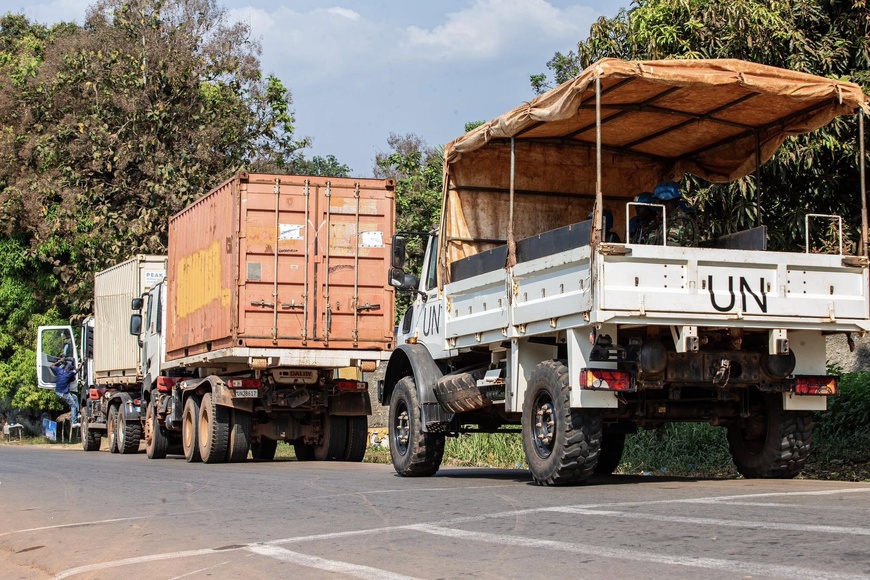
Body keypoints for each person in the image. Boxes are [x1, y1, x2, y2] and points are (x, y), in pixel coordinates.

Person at [647, 181, 698, 247]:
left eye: (660, 201)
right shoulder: (667, 220)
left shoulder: (679, 221)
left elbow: (671, 250)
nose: (658, 204)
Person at [50, 357, 80, 428]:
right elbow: (77, 370)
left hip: (59, 391)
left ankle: (77, 414)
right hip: (64, 393)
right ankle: (74, 422)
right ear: (69, 369)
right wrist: (81, 364)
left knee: (75, 397)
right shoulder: (69, 374)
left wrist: (59, 361)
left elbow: (51, 366)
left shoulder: (60, 370)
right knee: (73, 405)